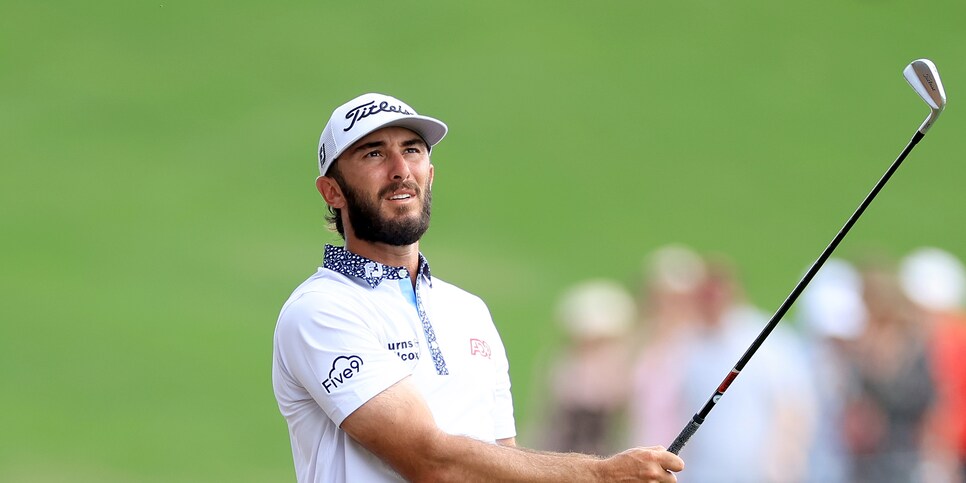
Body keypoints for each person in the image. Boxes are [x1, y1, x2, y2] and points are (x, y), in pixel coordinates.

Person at [271, 93, 685, 482]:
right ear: (333, 191)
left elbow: (505, 465)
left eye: (412, 150)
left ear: (429, 174)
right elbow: (428, 460)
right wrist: (599, 474)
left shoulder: (468, 310)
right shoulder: (320, 309)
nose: (400, 169)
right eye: (374, 153)